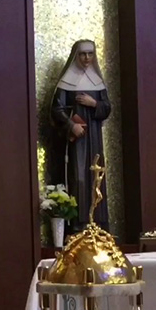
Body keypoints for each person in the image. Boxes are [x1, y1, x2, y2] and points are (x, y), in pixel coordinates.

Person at [49, 39, 111, 232]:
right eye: (83, 54)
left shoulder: (97, 81)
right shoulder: (66, 81)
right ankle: (78, 226)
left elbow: (107, 108)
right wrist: (71, 126)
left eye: (90, 54)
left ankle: (97, 224)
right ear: (76, 55)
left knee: (96, 176)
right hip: (77, 141)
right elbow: (56, 109)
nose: (86, 58)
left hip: (94, 137)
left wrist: (94, 104)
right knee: (78, 177)